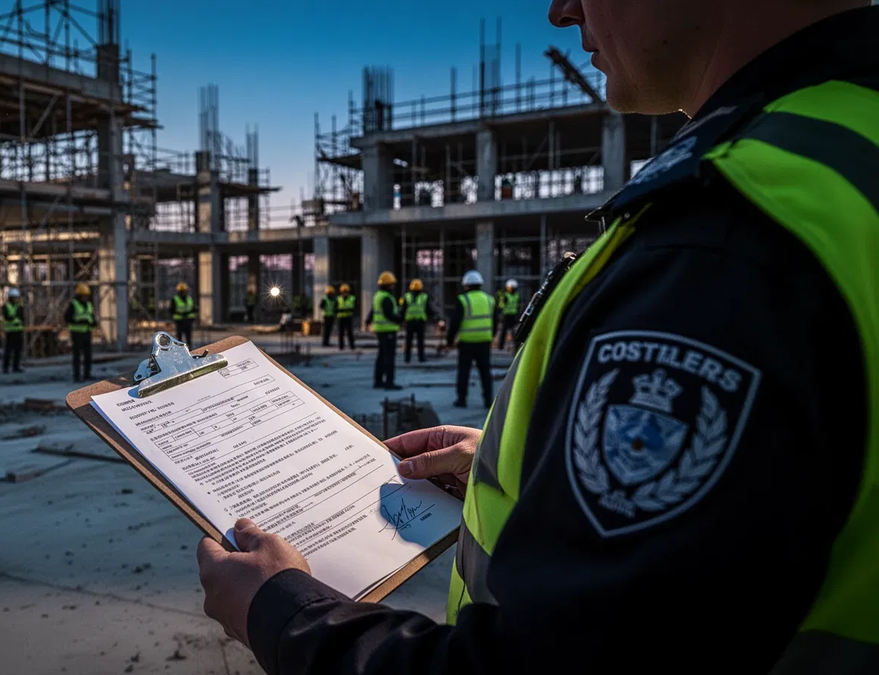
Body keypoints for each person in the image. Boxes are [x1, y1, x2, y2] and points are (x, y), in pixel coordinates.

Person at [196, 3, 879, 671]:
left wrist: (285, 612)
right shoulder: (849, 148)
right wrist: (525, 467)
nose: (561, 10)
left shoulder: (726, 245)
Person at [446, 270, 494, 409]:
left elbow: (455, 322)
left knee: (464, 372)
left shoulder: (463, 300)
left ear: (466, 285)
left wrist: (450, 340)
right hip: (484, 341)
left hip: (467, 342)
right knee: (485, 372)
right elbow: (495, 320)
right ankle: (488, 401)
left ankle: (462, 400)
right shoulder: (489, 299)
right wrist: (491, 335)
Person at [365, 271, 402, 391]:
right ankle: (389, 382)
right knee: (389, 357)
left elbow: (373, 311)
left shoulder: (377, 296)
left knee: (381, 355)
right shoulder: (386, 297)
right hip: (388, 330)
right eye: (392, 284)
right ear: (388, 285)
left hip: (380, 330)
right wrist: (400, 320)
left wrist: (367, 321)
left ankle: (378, 381)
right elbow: (389, 315)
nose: (393, 286)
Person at [65, 283, 96, 383]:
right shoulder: (74, 304)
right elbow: (67, 318)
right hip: (76, 333)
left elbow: (91, 316)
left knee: (88, 355)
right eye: (83, 296)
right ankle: (77, 375)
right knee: (77, 356)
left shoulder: (89, 304)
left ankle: (87, 374)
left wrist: (93, 323)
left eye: (86, 296)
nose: (85, 298)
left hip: (87, 332)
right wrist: (80, 321)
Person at [401, 278, 432, 363]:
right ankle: (420, 357)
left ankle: (407, 358)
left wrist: (400, 320)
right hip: (419, 322)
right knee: (420, 341)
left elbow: (403, 310)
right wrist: (435, 316)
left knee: (409, 341)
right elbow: (428, 309)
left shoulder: (407, 296)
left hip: (411, 321)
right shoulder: (424, 296)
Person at [1, 288, 25, 374]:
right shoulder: (6, 306)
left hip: (18, 330)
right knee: (8, 350)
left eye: (17, 297)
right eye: (15, 298)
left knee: (18, 350)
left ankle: (16, 366)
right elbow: (7, 317)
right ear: (10, 298)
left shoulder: (19, 306)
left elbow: (22, 317)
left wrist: (14, 317)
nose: (17, 299)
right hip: (10, 331)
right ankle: (5, 367)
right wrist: (15, 317)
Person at [495, 278, 520, 350]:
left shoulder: (516, 295)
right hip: (506, 315)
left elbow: (518, 305)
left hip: (513, 315)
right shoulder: (505, 295)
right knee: (503, 331)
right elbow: (501, 305)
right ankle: (500, 346)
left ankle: (516, 346)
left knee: (514, 332)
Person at [172, 281, 197, 346]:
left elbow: (193, 308)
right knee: (179, 338)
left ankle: (190, 349)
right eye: (182, 291)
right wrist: (181, 314)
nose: (183, 293)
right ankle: (180, 351)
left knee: (188, 338)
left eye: (184, 291)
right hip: (180, 321)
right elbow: (172, 310)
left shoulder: (189, 298)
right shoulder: (175, 299)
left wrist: (192, 313)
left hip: (188, 320)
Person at [335, 283, 356, 351]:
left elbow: (355, 308)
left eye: (346, 292)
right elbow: (335, 308)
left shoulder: (352, 298)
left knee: (350, 332)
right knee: (341, 333)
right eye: (343, 292)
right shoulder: (338, 298)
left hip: (348, 317)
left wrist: (345, 310)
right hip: (341, 317)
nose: (345, 293)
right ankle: (341, 346)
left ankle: (352, 346)